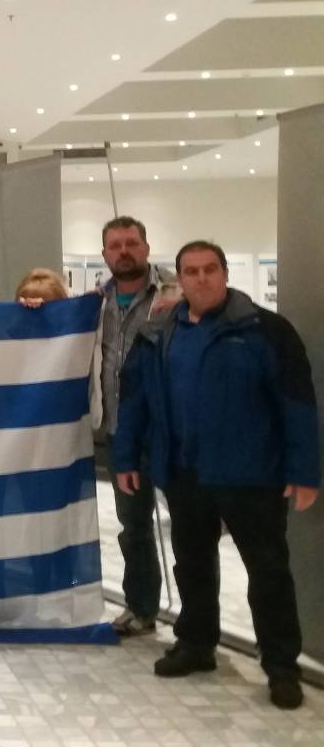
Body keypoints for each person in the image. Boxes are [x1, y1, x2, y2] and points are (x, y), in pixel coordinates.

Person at [114, 240, 320, 710]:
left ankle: (281, 666)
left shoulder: (265, 330)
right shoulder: (158, 334)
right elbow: (136, 402)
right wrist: (125, 458)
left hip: (252, 475)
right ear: (179, 279)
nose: (201, 278)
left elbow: (297, 404)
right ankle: (196, 643)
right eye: (191, 271)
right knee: (192, 565)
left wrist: (304, 470)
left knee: (267, 571)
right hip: (184, 473)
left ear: (225, 274)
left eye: (210, 269)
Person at [90, 216, 179, 638]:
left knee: (189, 530)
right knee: (135, 527)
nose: (123, 251)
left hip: (170, 431)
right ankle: (142, 608)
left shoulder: (174, 293)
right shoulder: (95, 303)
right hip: (119, 433)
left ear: (145, 247)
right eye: (115, 245)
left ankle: (198, 623)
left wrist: (179, 295)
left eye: (131, 243)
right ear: (104, 254)